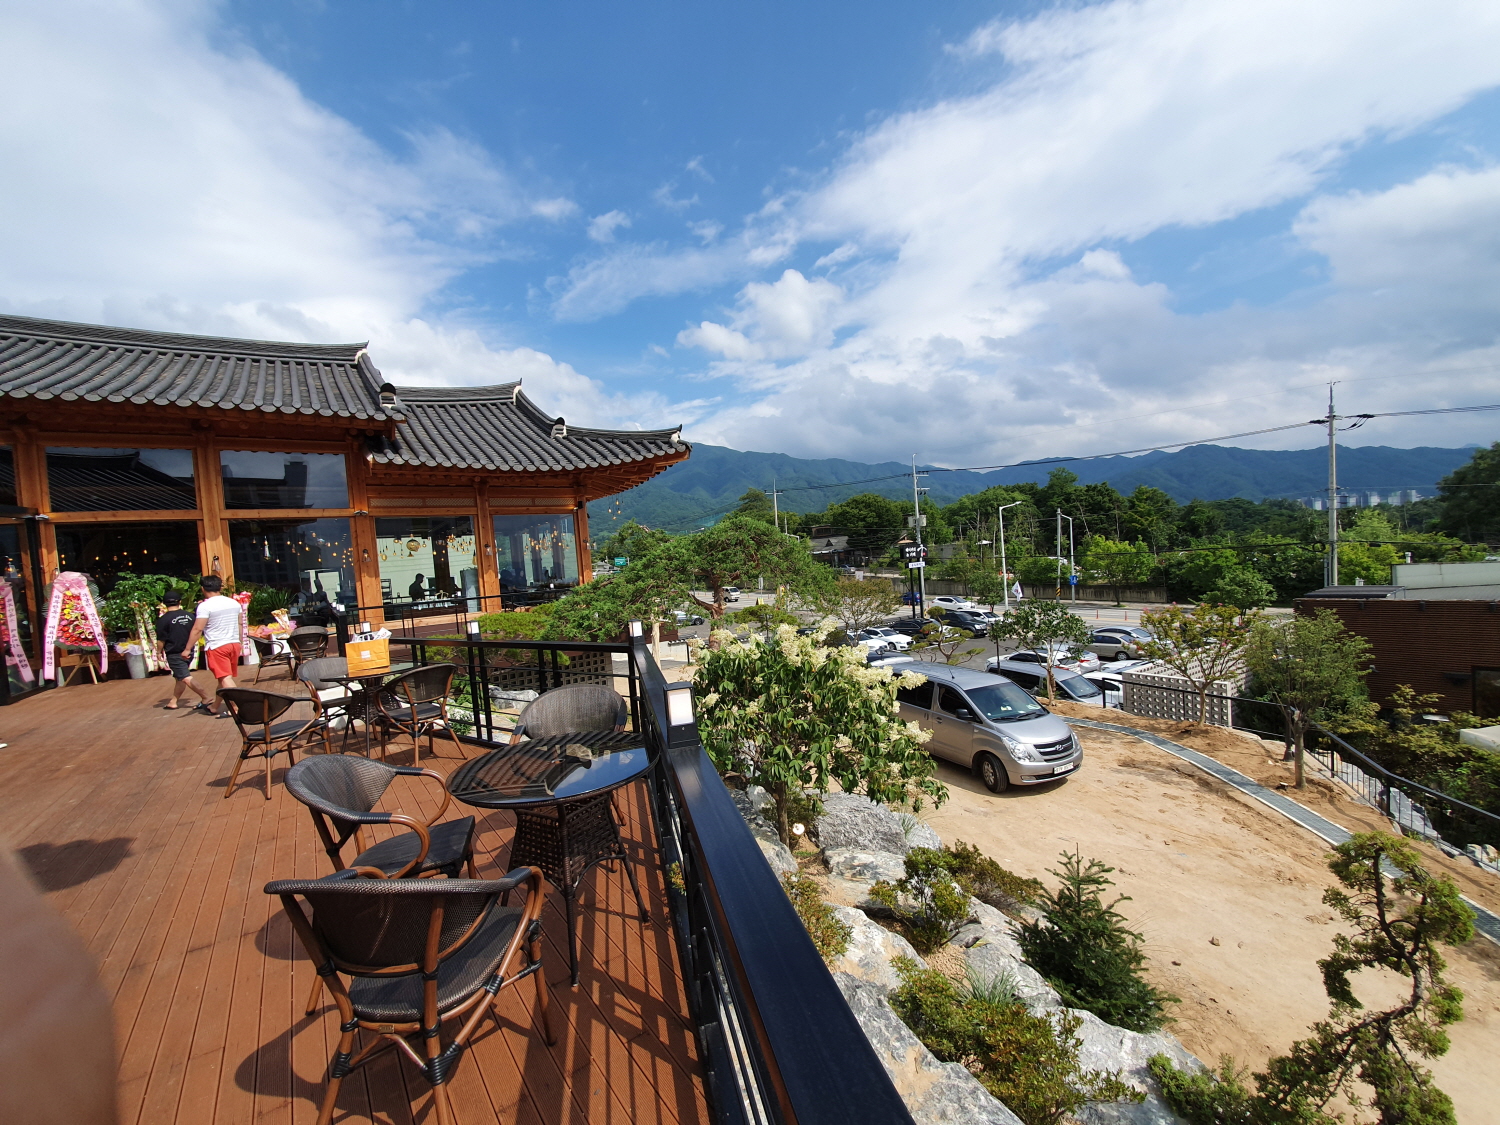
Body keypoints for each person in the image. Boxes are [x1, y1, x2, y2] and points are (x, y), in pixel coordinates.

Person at [180, 576, 242, 716]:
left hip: (217, 645)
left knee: (225, 678)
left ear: (203, 589)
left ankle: (237, 707)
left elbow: (197, 629)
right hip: (233, 643)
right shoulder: (234, 603)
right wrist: (240, 641)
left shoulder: (205, 606)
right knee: (223, 678)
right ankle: (214, 706)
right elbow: (240, 623)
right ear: (220, 587)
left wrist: (187, 649)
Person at [155, 591, 212, 712]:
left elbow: (161, 639)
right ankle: (173, 701)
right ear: (180, 602)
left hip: (175, 653)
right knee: (180, 676)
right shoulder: (190, 616)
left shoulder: (163, 620)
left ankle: (206, 697)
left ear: (164, 603)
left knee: (185, 677)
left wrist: (158, 652)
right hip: (189, 650)